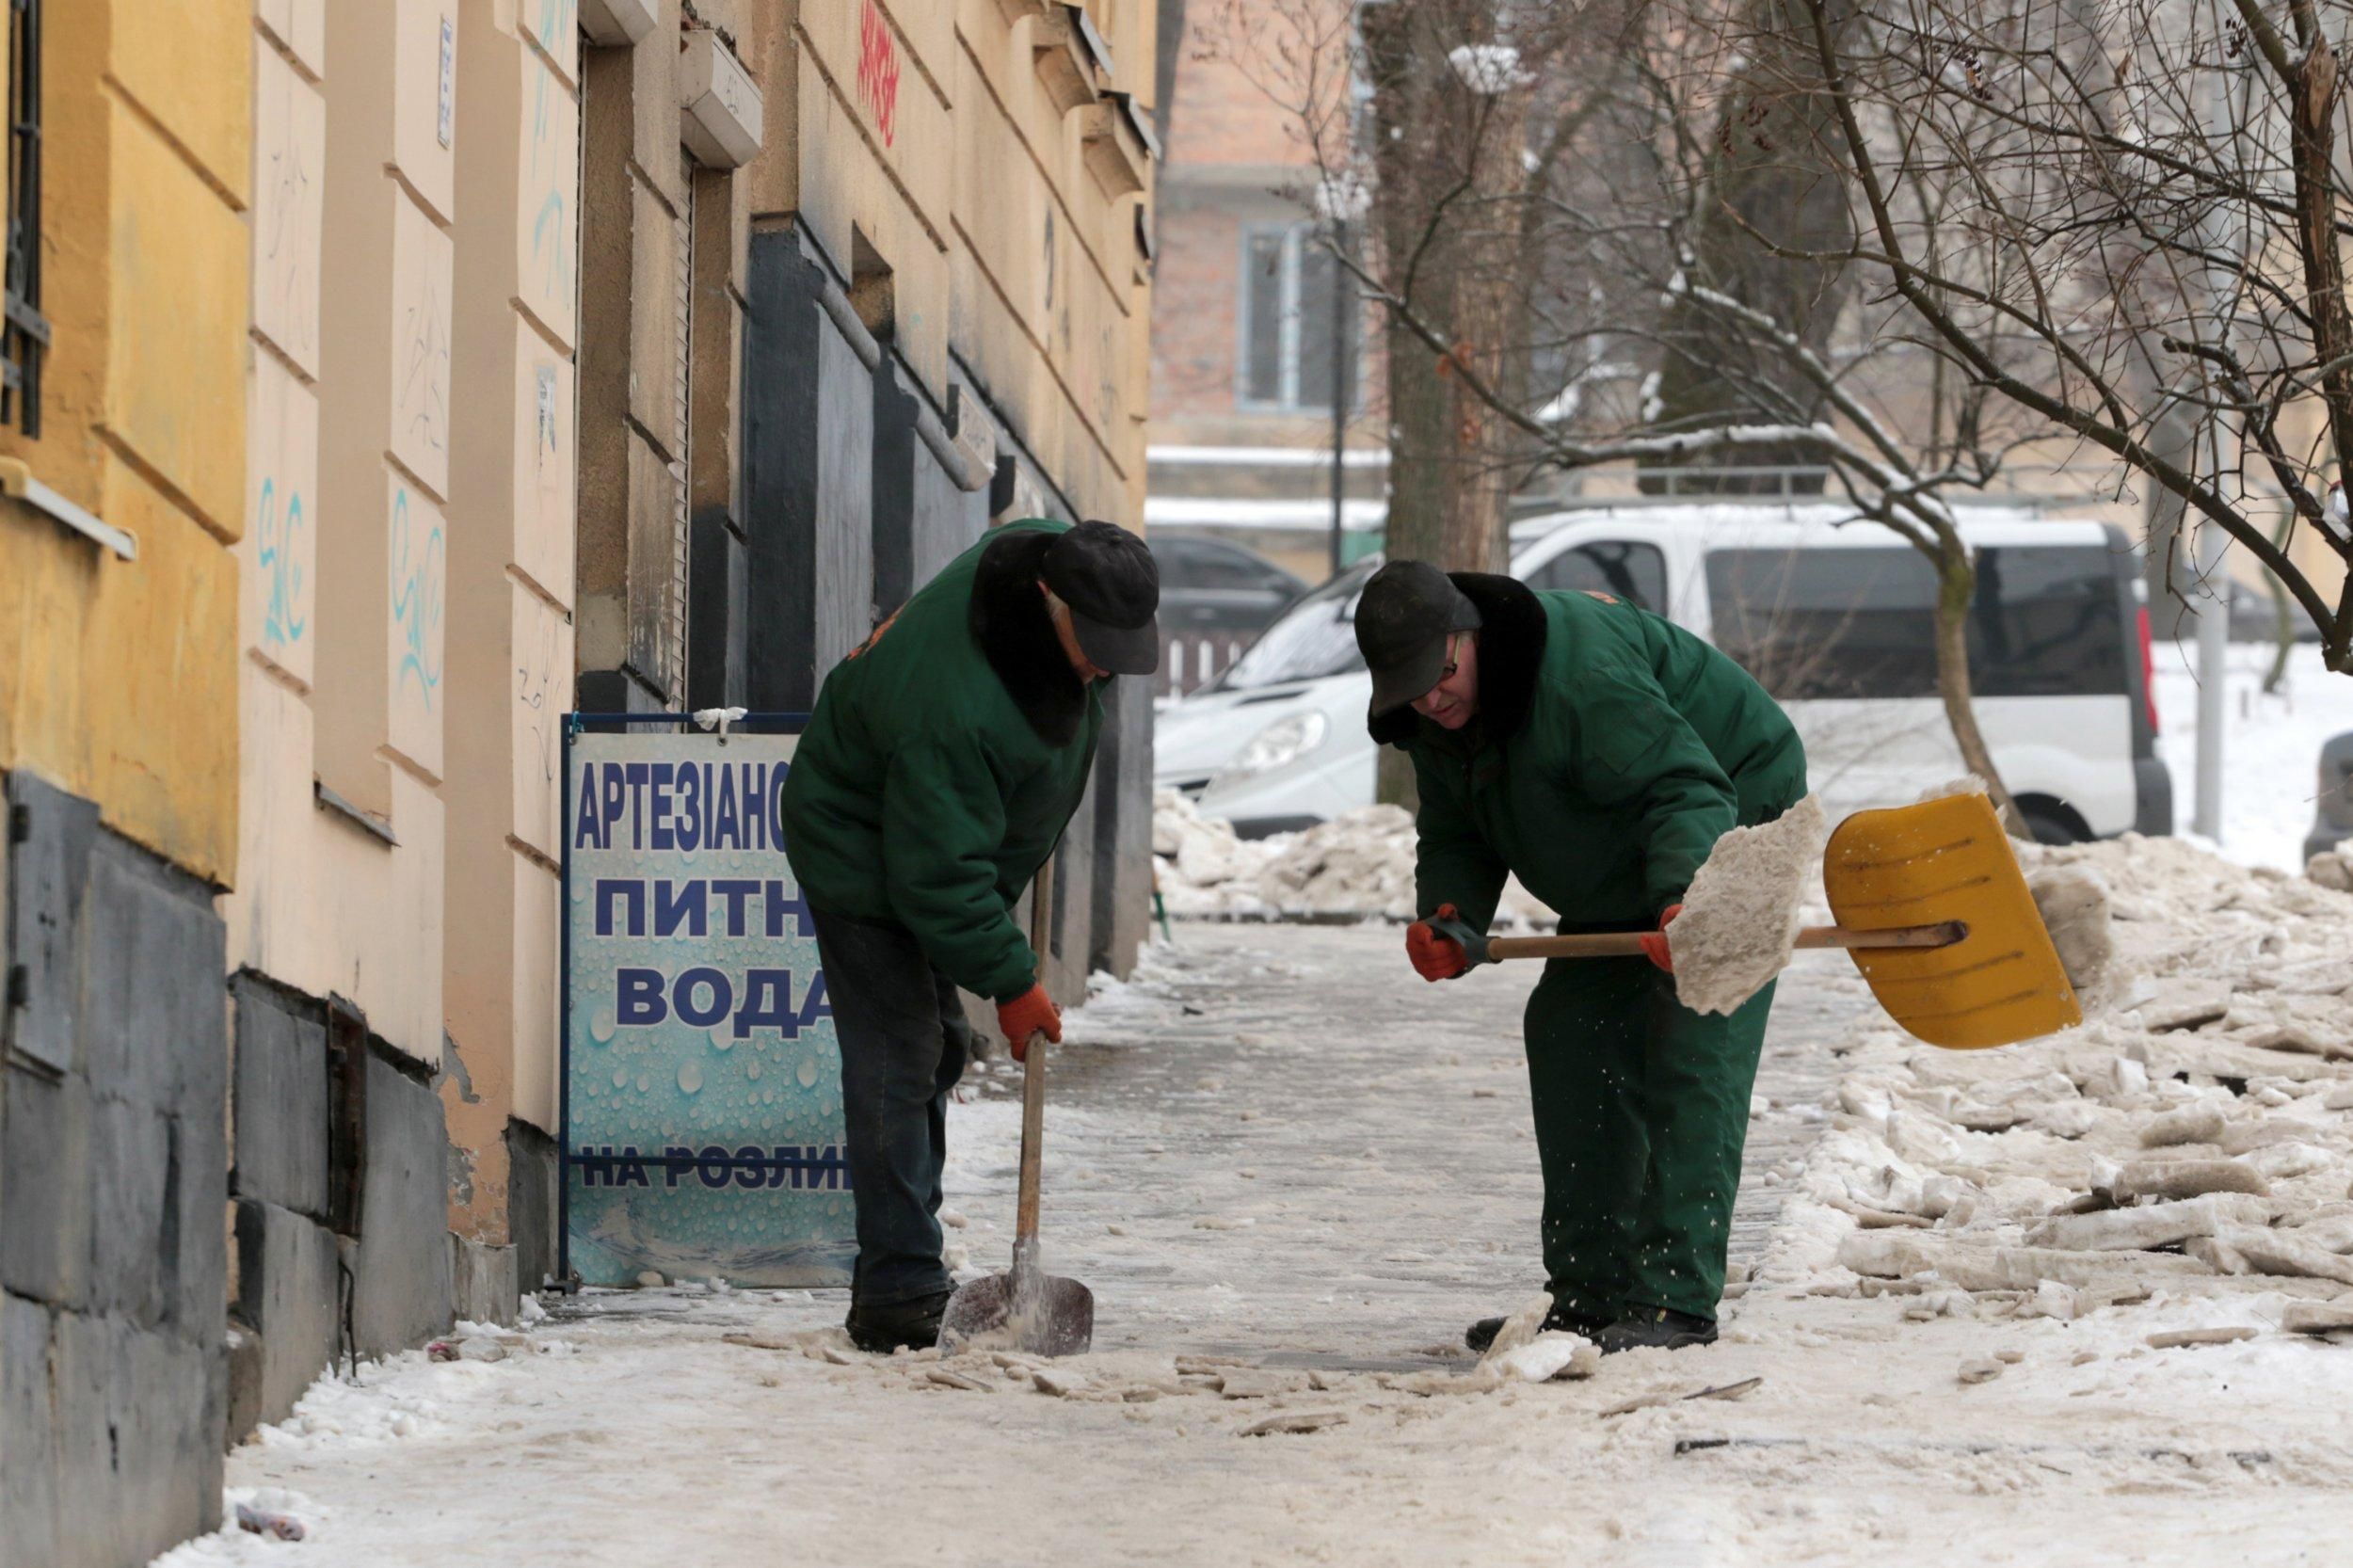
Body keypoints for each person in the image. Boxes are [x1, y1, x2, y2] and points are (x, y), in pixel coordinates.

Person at [1354, 558, 1806, 1353]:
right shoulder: (1428, 713)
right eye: (1411, 687)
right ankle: (1590, 1295)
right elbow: (1456, 826)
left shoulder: (1582, 676)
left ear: (1471, 636)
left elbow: (1685, 791)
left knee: (1694, 1039)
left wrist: (1687, 901)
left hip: (1732, 813)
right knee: (1569, 1029)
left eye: (1443, 675)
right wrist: (1451, 917)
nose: (1432, 699)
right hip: (1624, 842)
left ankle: (1676, 1301)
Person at [779, 519, 1159, 1352]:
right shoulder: (954, 707)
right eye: (1093, 646)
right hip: (858, 844)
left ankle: (912, 1257)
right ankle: (897, 1288)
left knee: (939, 1049)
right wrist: (1012, 981)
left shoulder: (1041, 562)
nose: (1101, 667)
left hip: (922, 832)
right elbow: (938, 879)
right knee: (897, 1056)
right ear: (1046, 602)